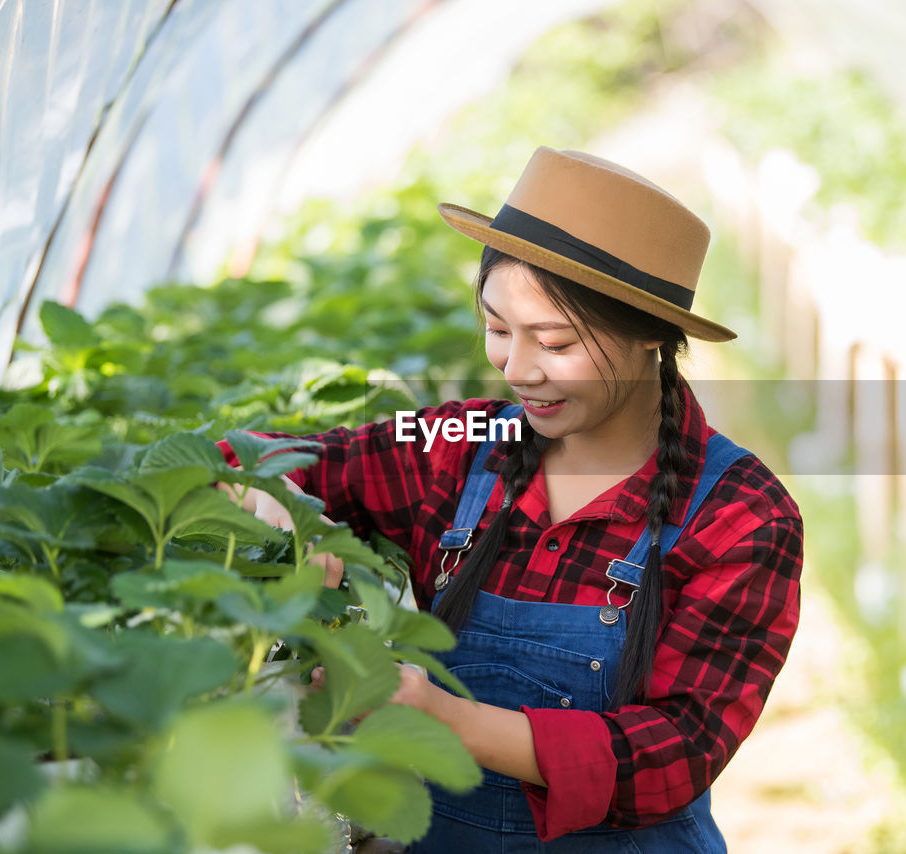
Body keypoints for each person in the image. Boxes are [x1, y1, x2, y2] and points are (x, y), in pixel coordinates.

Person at [219, 146, 803, 852]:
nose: (518, 369)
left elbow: (675, 753)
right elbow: (258, 453)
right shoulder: (458, 444)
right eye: (498, 329)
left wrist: (443, 716)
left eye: (554, 343)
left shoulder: (741, 515)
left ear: (652, 333)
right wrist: (278, 497)